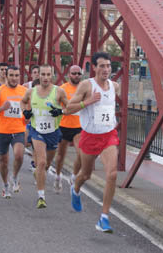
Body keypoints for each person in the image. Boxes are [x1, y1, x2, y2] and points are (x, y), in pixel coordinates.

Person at [66, 52, 120, 233]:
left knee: (112, 174)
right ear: (94, 68)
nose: (106, 69)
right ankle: (75, 188)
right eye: (102, 66)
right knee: (86, 175)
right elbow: (67, 109)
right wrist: (87, 102)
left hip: (108, 135)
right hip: (89, 136)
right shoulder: (86, 86)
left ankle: (104, 217)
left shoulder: (115, 86)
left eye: (108, 66)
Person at [20, 65, 69, 209]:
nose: (46, 77)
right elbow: (22, 102)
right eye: (43, 74)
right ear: (38, 76)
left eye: (48, 74)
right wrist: (25, 112)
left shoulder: (58, 92)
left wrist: (60, 111)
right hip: (37, 131)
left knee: (46, 165)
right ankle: (41, 197)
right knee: (41, 162)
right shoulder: (31, 92)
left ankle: (40, 173)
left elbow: (70, 107)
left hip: (53, 132)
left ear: (52, 75)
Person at [0, 66, 27, 198]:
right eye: (12, 75)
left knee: (19, 155)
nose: (14, 78)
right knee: (3, 161)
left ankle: (14, 176)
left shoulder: (25, 92)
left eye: (17, 75)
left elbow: (29, 108)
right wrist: (2, 108)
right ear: (6, 76)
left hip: (19, 130)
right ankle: (5, 185)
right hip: (3, 131)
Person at [53, 65, 83, 193]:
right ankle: (58, 176)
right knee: (60, 155)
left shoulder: (84, 88)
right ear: (69, 75)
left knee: (82, 154)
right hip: (64, 126)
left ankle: (74, 176)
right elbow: (55, 106)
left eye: (78, 73)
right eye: (74, 73)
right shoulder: (62, 89)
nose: (76, 76)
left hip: (79, 127)